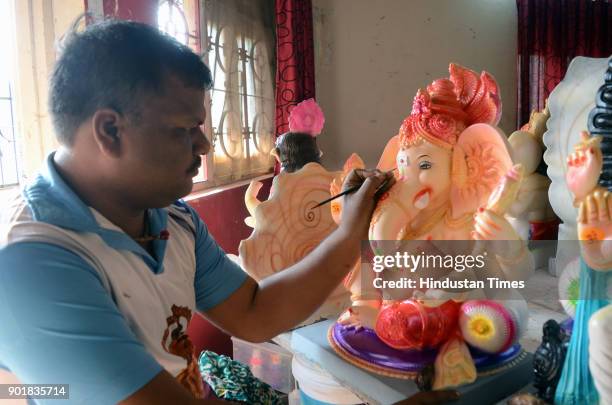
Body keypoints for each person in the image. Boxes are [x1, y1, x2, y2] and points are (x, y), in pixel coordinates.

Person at [0, 20, 457, 405]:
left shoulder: (171, 219)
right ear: (109, 130)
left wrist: (352, 227)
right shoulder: (34, 262)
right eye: (185, 130)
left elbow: (255, 312)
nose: (203, 146)